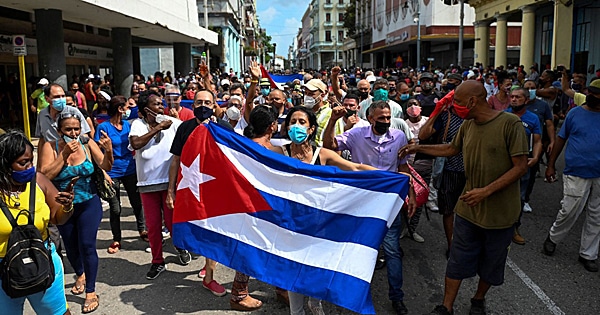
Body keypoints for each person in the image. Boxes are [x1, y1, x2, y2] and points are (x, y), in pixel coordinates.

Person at [400, 81, 528, 315]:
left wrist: (486, 191)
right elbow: (450, 149)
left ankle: (478, 299)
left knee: (492, 263)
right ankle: (446, 306)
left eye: (457, 102)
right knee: (458, 259)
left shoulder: (510, 124)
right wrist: (417, 148)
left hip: (501, 213)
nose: (454, 106)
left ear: (471, 101)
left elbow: (520, 167)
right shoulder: (468, 126)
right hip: (469, 210)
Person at [271, 106, 384, 315]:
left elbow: (356, 168)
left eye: (302, 122)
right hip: (290, 222)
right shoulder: (278, 152)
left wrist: (390, 177)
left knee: (315, 265)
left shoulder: (321, 154)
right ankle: (297, 311)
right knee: (294, 269)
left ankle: (315, 302)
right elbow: (249, 155)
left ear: (311, 128)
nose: (296, 126)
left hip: (317, 223)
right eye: (292, 122)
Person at [323, 101, 417, 315]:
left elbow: (403, 167)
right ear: (370, 118)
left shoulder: (399, 137)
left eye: (387, 118)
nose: (385, 121)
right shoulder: (357, 134)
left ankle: (397, 297)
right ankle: (351, 294)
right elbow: (330, 146)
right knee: (356, 249)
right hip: (361, 201)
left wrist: (410, 193)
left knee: (392, 251)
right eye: (381, 118)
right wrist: (333, 120)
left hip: (389, 201)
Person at [38, 112, 114, 314]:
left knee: (88, 244)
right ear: (59, 130)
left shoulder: (87, 144)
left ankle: (91, 291)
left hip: (89, 202)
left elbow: (105, 165)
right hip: (63, 205)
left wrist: (109, 152)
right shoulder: (50, 146)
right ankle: (80, 273)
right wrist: (63, 156)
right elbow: (44, 176)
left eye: (76, 129)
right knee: (71, 246)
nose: (73, 133)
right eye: (68, 129)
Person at [0, 131, 75, 315]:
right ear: (4, 165)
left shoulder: (39, 181)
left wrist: (67, 206)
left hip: (43, 262)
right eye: (22, 163)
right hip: (4, 271)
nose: (29, 167)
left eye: (30, 160)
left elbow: (58, 218)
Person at [167, 89, 231, 296]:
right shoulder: (184, 128)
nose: (203, 106)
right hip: (191, 188)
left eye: (207, 102)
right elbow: (175, 159)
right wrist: (170, 191)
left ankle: (209, 275)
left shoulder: (223, 127)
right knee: (195, 228)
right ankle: (205, 260)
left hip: (216, 189)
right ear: (192, 105)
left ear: (214, 105)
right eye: (199, 102)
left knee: (213, 230)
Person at [543, 81, 600, 273]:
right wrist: (551, 165)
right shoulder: (575, 113)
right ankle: (553, 238)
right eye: (593, 93)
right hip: (576, 171)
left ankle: (588, 254)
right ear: (587, 93)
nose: (596, 97)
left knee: (597, 215)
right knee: (569, 209)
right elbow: (561, 139)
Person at [95, 96, 146, 253]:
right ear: (119, 108)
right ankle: (116, 238)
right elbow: (97, 152)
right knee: (115, 208)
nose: (128, 110)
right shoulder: (103, 127)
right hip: (112, 172)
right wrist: (103, 173)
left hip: (130, 170)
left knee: (137, 203)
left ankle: (142, 230)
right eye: (126, 106)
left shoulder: (128, 126)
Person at [505, 88, 542, 245]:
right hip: (503, 162)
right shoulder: (503, 115)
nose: (514, 99)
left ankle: (514, 228)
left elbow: (538, 140)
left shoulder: (533, 118)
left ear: (526, 100)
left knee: (519, 197)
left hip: (522, 164)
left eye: (518, 97)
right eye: (512, 97)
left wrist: (535, 157)